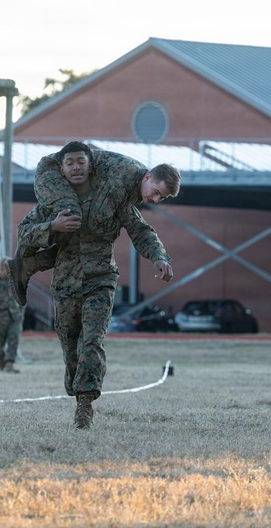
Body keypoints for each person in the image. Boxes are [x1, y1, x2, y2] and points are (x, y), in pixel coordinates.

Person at [15, 141, 179, 429]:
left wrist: (159, 257)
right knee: (70, 347)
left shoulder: (117, 199)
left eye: (160, 198)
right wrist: (52, 227)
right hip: (66, 282)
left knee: (92, 341)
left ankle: (85, 406)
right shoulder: (56, 203)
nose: (154, 200)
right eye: (155, 192)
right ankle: (76, 387)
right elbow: (24, 233)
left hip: (100, 279)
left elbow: (142, 231)